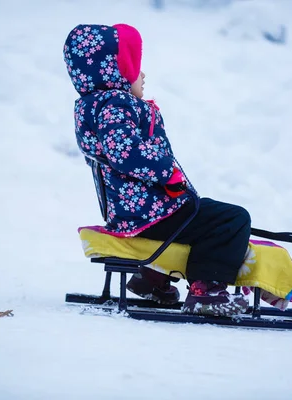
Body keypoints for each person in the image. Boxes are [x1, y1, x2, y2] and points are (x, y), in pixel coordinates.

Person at [63, 23, 251, 316]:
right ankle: (207, 293)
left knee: (201, 215)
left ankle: (152, 279)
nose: (143, 75)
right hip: (151, 212)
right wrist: (167, 171)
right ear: (116, 71)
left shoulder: (94, 106)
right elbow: (125, 153)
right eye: (136, 67)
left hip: (133, 210)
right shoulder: (116, 103)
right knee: (232, 219)